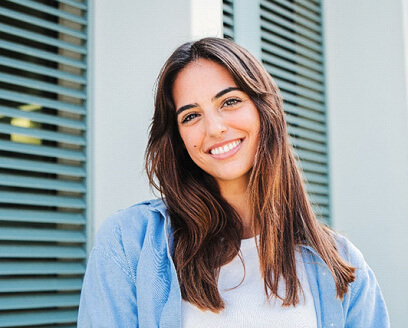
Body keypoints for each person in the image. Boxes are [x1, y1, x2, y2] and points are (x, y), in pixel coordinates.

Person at [78, 37, 389, 327]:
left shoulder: (342, 264)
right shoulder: (129, 242)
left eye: (229, 102)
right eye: (190, 116)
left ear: (264, 110)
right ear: (178, 139)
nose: (214, 128)